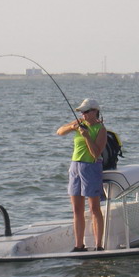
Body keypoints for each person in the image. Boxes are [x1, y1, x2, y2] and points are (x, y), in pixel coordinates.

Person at [56, 98, 108, 251]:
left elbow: (95, 153)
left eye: (86, 111)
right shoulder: (79, 122)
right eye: (82, 112)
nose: (83, 114)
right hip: (75, 166)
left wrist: (86, 136)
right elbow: (59, 132)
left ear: (95, 111)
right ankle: (79, 245)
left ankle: (99, 245)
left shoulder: (101, 129)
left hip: (91, 167)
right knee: (77, 209)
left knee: (94, 208)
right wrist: (72, 127)